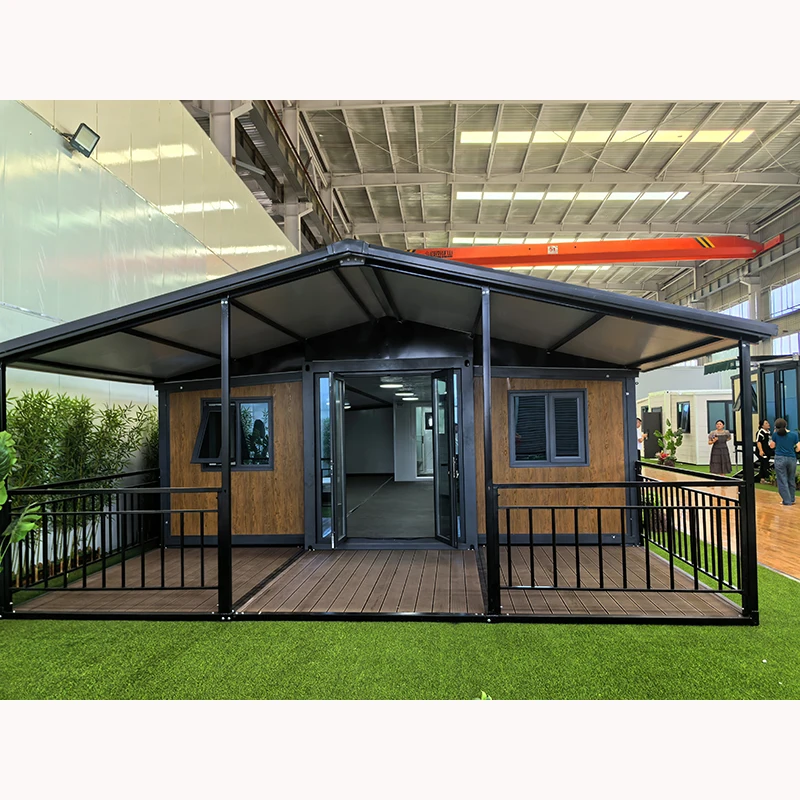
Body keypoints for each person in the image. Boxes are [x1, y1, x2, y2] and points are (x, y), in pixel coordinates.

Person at [769, 418, 800, 505]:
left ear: (776, 427)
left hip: (779, 458)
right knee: (791, 479)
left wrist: (773, 433)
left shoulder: (775, 435)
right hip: (791, 458)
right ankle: (792, 499)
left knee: (782, 479)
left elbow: (771, 446)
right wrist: (794, 450)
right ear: (786, 425)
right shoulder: (794, 434)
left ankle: (786, 500)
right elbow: (799, 448)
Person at [754, 419, 772, 484]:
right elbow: (758, 442)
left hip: (767, 451)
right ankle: (764, 478)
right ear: (762, 425)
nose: (768, 424)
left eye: (768, 423)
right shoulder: (760, 432)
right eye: (766, 423)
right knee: (765, 464)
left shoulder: (769, 432)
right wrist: (761, 451)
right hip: (762, 451)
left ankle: (762, 479)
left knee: (763, 464)